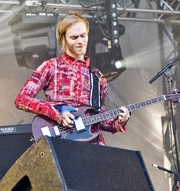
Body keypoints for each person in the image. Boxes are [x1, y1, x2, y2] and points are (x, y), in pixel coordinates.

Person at [15, 11, 130, 145]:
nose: (80, 41)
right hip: (60, 141)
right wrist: (55, 112)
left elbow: (99, 120)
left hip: (92, 145)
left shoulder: (97, 76)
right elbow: (21, 99)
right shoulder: (51, 66)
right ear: (63, 39)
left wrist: (119, 122)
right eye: (74, 37)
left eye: (83, 36)